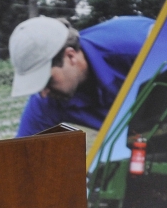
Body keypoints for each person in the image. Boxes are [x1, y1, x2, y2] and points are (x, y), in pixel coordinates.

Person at [10, 15, 154, 137]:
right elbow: (24, 155)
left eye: (47, 81)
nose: (43, 93)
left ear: (70, 56)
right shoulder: (47, 100)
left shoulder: (140, 49)